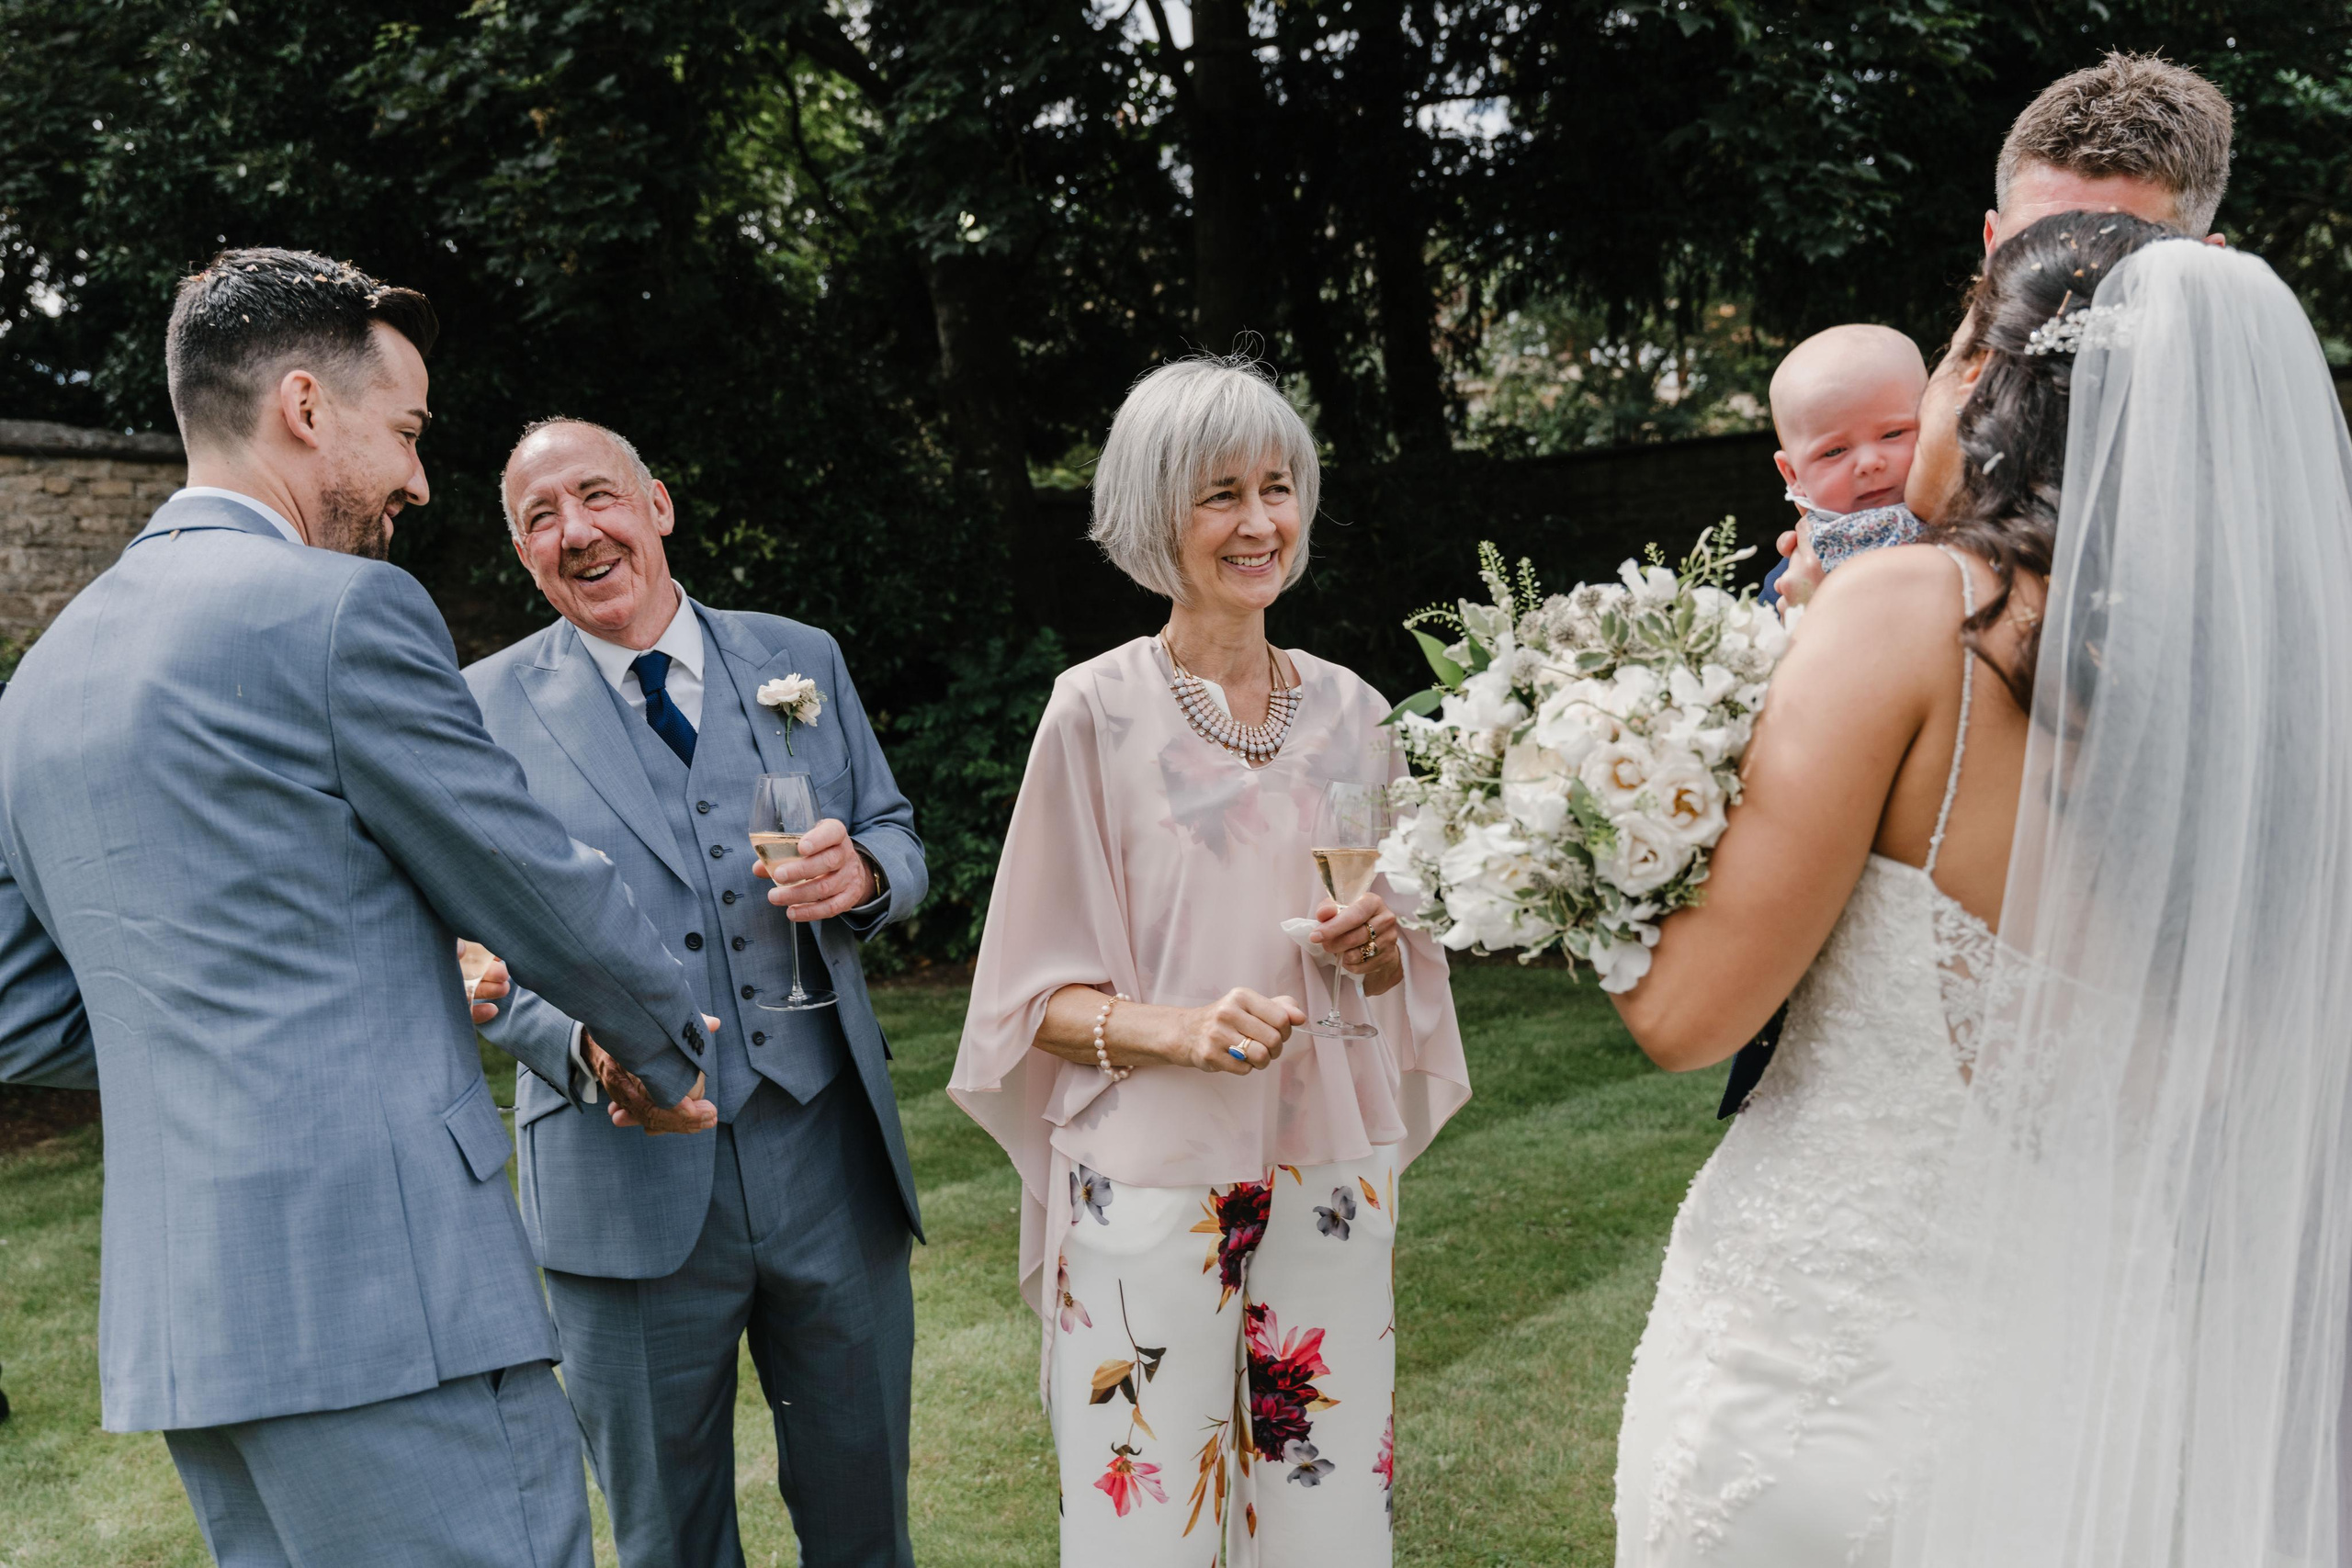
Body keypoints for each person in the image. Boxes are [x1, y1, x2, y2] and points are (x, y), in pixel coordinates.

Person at [0, 248, 719, 1567]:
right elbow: (534, 881)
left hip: (195, 1332)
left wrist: (306, 1004)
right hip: (393, 1304)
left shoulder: (40, 681)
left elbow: (17, 1006)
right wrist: (662, 1043)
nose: (418, 478)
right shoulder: (342, 612)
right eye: (406, 431)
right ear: (304, 407)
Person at [1608, 210, 2176, 1564]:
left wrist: (1598, 849)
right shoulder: (2217, 672)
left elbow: (1685, 1018)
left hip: (1827, 1360)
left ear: (1978, 381)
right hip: (2100, 1373)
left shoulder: (1907, 610)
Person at [949, 356, 1469, 1567]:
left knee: (1330, 1510)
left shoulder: (1361, 714)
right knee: (1147, 1520)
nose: (1259, 522)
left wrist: (1381, 946)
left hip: (1329, 1160)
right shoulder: (1093, 711)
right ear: (1153, 514)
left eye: (1277, 487)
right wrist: (1179, 1029)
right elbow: (1027, 1003)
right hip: (1151, 1169)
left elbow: (1405, 981)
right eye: (1219, 493)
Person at [463, 418, 927, 1568]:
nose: (578, 533)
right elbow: (468, 945)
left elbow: (897, 834)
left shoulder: (797, 657)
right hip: (620, 1188)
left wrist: (863, 874)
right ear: (521, 551)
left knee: (866, 1516)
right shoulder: (476, 709)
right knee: (667, 1539)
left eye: (598, 496)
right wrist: (581, 1048)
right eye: (540, 518)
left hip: (826, 1155)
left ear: (657, 505)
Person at [1763, 51, 2233, 604]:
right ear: (1991, 244)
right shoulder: (1931, 399)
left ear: (2205, 266)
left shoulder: (2242, 445)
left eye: (2115, 247)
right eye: (2031, 245)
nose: (2065, 279)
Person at [1759, 324, 1928, 609]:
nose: (1869, 463)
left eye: (1893, 433)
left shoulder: (1982, 518)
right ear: (1793, 475)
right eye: (1834, 451)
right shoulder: (1791, 579)